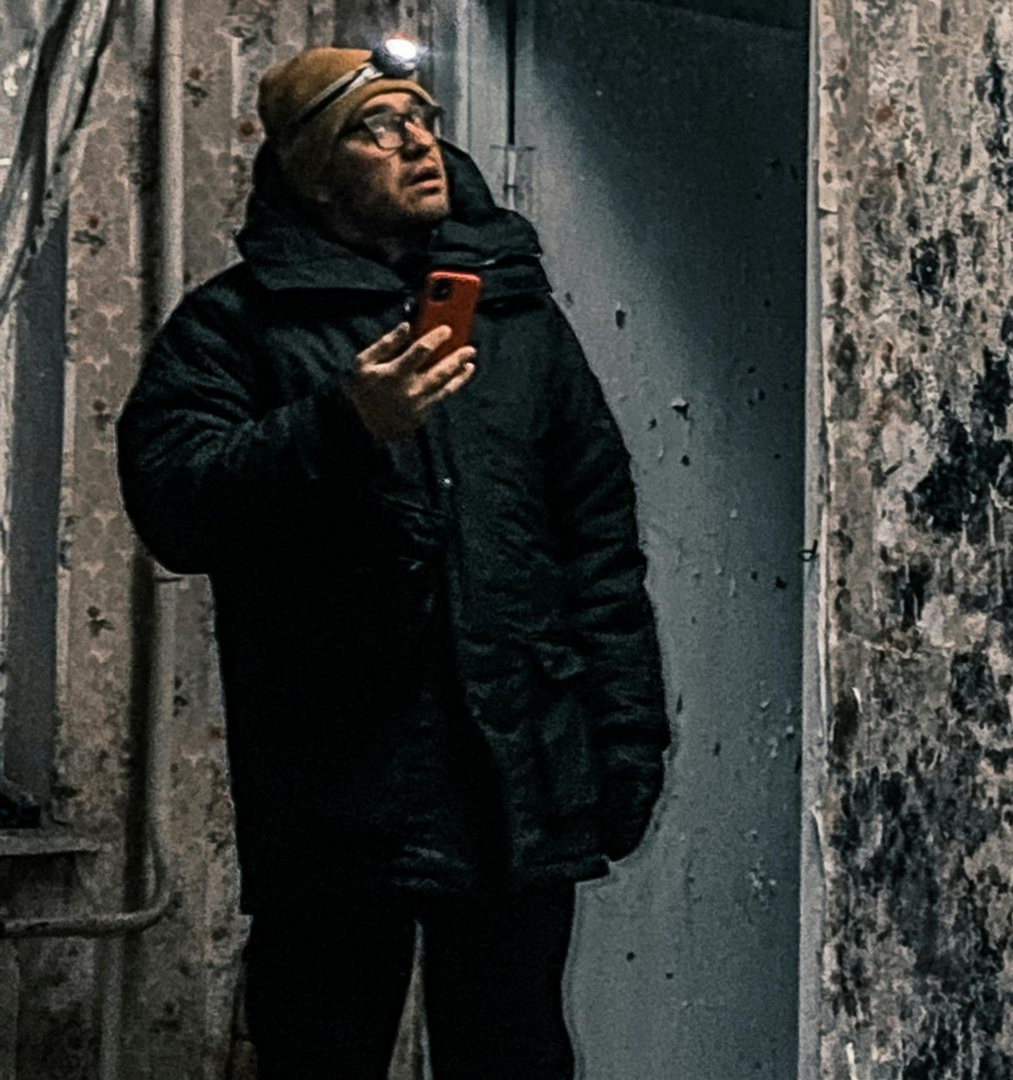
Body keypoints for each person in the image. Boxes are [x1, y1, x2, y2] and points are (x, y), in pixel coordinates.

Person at [113, 42, 671, 1079]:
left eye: (423, 114)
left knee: (512, 1054)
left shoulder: (516, 323)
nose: (421, 138)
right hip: (337, 794)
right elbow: (178, 506)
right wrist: (340, 423)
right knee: (321, 1050)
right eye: (381, 124)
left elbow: (596, 545)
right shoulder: (235, 327)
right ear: (317, 166)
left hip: (512, 779)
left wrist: (625, 741)